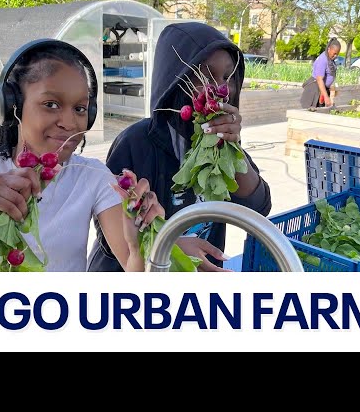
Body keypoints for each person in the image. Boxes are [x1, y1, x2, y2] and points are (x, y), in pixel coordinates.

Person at [0, 38, 164, 272]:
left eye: (80, 109)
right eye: (51, 104)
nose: (70, 123)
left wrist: (140, 245)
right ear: (11, 105)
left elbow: (137, 273)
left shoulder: (92, 176)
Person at [87, 21, 272, 272]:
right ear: (176, 81)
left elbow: (258, 209)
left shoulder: (221, 144)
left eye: (228, 77)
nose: (221, 89)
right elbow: (112, 236)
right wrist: (170, 246)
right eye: (207, 75)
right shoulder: (136, 142)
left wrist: (234, 151)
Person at [300, 38, 341, 109]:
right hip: (313, 90)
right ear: (329, 49)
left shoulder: (330, 59)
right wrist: (326, 97)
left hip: (321, 90)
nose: (335, 56)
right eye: (334, 53)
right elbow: (319, 79)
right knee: (311, 114)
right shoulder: (323, 60)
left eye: (337, 54)